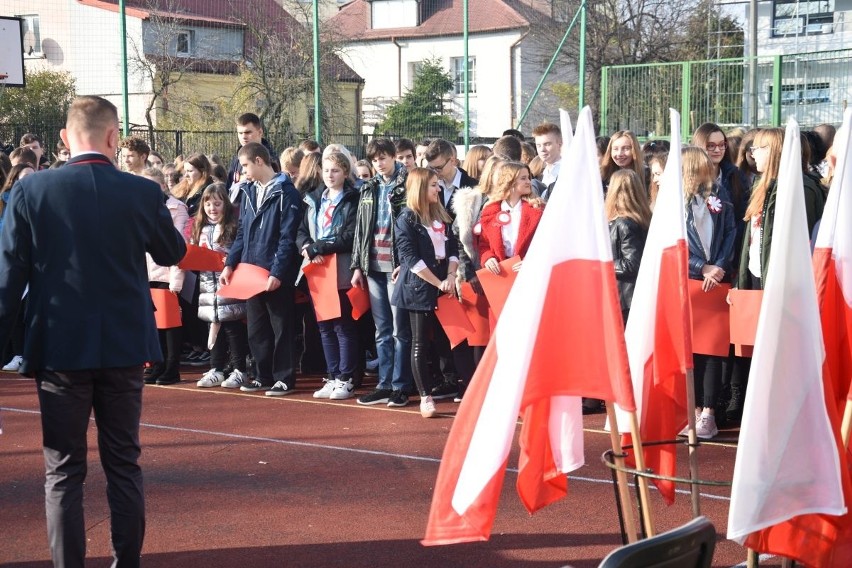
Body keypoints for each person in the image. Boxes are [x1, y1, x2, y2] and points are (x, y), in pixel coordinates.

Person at [0, 95, 186, 567]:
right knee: (123, 463)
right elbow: (171, 252)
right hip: (123, 345)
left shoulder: (30, 191)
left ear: (64, 138)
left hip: (59, 346)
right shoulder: (141, 192)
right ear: (113, 137)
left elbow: (8, 280)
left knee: (62, 471)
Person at [221, 142, 302, 396]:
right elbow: (242, 232)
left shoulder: (286, 193)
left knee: (281, 328)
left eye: (245, 165)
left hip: (275, 273)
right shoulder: (248, 191)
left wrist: (277, 272)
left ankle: (284, 378)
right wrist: (230, 264)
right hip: (250, 272)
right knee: (256, 329)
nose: (242, 171)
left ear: (259, 161)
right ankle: (262, 374)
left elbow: (288, 237)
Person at [392, 167, 460, 418]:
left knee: (447, 339)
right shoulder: (407, 218)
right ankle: (425, 396)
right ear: (420, 187)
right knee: (419, 341)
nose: (438, 188)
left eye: (437, 184)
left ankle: (452, 382)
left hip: (444, 282)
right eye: (433, 185)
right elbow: (411, 259)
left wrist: (451, 276)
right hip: (419, 287)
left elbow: (453, 248)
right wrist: (437, 282)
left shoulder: (442, 214)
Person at [351, 138, 413, 407]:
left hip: (397, 266)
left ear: (393, 157)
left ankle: (401, 385)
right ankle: (384, 383)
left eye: (383, 157)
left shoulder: (407, 184)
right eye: (375, 159)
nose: (379, 163)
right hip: (373, 265)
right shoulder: (368, 188)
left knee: (400, 330)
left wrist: (407, 262)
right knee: (382, 329)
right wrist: (357, 265)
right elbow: (360, 230)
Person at [682, 147, 736, 439]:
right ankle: (693, 410)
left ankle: (709, 414)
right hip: (691, 280)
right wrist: (701, 266)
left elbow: (731, 234)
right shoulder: (676, 202)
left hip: (716, 281)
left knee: (713, 349)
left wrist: (719, 267)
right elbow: (675, 242)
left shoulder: (720, 195)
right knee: (692, 349)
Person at [298, 152, 360, 399]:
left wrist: (319, 247)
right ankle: (332, 375)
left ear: (345, 172)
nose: (330, 175)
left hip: (341, 269)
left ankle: (346, 378)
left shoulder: (352, 199)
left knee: (342, 325)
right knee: (324, 326)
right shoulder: (314, 198)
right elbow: (301, 230)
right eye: (326, 170)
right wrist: (306, 246)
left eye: (335, 170)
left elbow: (349, 235)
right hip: (317, 270)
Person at [596, 168, 650, 415]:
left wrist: (602, 264)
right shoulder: (634, 220)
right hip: (625, 296)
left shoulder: (625, 223)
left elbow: (631, 264)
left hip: (624, 297)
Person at [192, 183, 250, 389]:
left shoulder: (232, 227)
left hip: (228, 285)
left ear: (225, 205)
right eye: (208, 204)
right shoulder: (200, 228)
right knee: (212, 326)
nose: (212, 208)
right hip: (207, 288)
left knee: (232, 328)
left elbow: (238, 253)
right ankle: (216, 368)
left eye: (217, 204)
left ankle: (239, 369)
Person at [141, 167, 188, 386]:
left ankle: (171, 367)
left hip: (167, 273)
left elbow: (179, 245)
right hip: (147, 272)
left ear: (162, 186)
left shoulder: (177, 209)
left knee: (170, 324)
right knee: (154, 324)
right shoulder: (140, 207)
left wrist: (176, 280)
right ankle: (157, 364)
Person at [0, 164, 37, 373]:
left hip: (29, 263)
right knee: (9, 307)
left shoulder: (39, 202)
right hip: (9, 260)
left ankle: (23, 354)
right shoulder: (5, 201)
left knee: (25, 311)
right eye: (25, 177)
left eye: (34, 176)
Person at [477, 161, 544, 274]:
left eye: (528, 177)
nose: (529, 182)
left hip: (530, 275)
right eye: (523, 178)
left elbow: (546, 244)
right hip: (501, 275)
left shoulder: (537, 209)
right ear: (510, 181)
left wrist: (532, 261)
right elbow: (484, 245)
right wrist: (488, 258)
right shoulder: (490, 211)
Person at [424, 138, 478, 220]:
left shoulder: (473, 186)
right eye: (431, 168)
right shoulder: (426, 184)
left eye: (439, 168)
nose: (435, 172)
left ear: (452, 160)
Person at [226, 113, 278, 186]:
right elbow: (229, 187)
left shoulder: (270, 158)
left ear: (260, 132)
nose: (243, 137)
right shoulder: (237, 158)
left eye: (248, 132)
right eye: (240, 133)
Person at [532, 122, 563, 199]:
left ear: (559, 144)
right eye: (538, 145)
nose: (542, 149)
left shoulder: (566, 170)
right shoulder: (543, 171)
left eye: (547, 144)